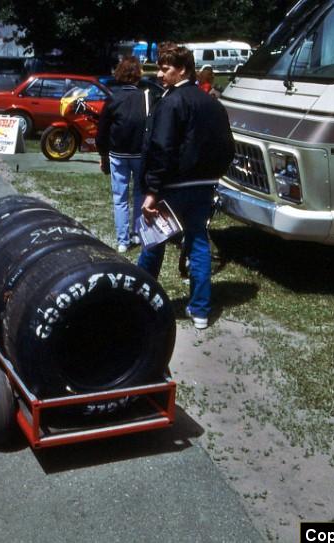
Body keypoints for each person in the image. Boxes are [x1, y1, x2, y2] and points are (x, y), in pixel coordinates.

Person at [137, 44, 234, 329]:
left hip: (174, 186)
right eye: (159, 67)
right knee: (199, 243)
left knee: (154, 241)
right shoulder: (213, 102)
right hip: (204, 184)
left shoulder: (172, 102)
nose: (160, 73)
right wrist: (214, 174)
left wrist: (152, 191)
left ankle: (138, 297)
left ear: (182, 69)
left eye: (165, 68)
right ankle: (201, 310)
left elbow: (162, 148)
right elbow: (228, 146)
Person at [95, 56, 149, 253]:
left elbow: (102, 131)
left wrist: (102, 155)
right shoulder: (146, 98)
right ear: (138, 74)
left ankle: (122, 241)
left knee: (120, 198)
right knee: (139, 195)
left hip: (117, 153)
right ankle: (137, 233)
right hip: (139, 154)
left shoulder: (112, 98)